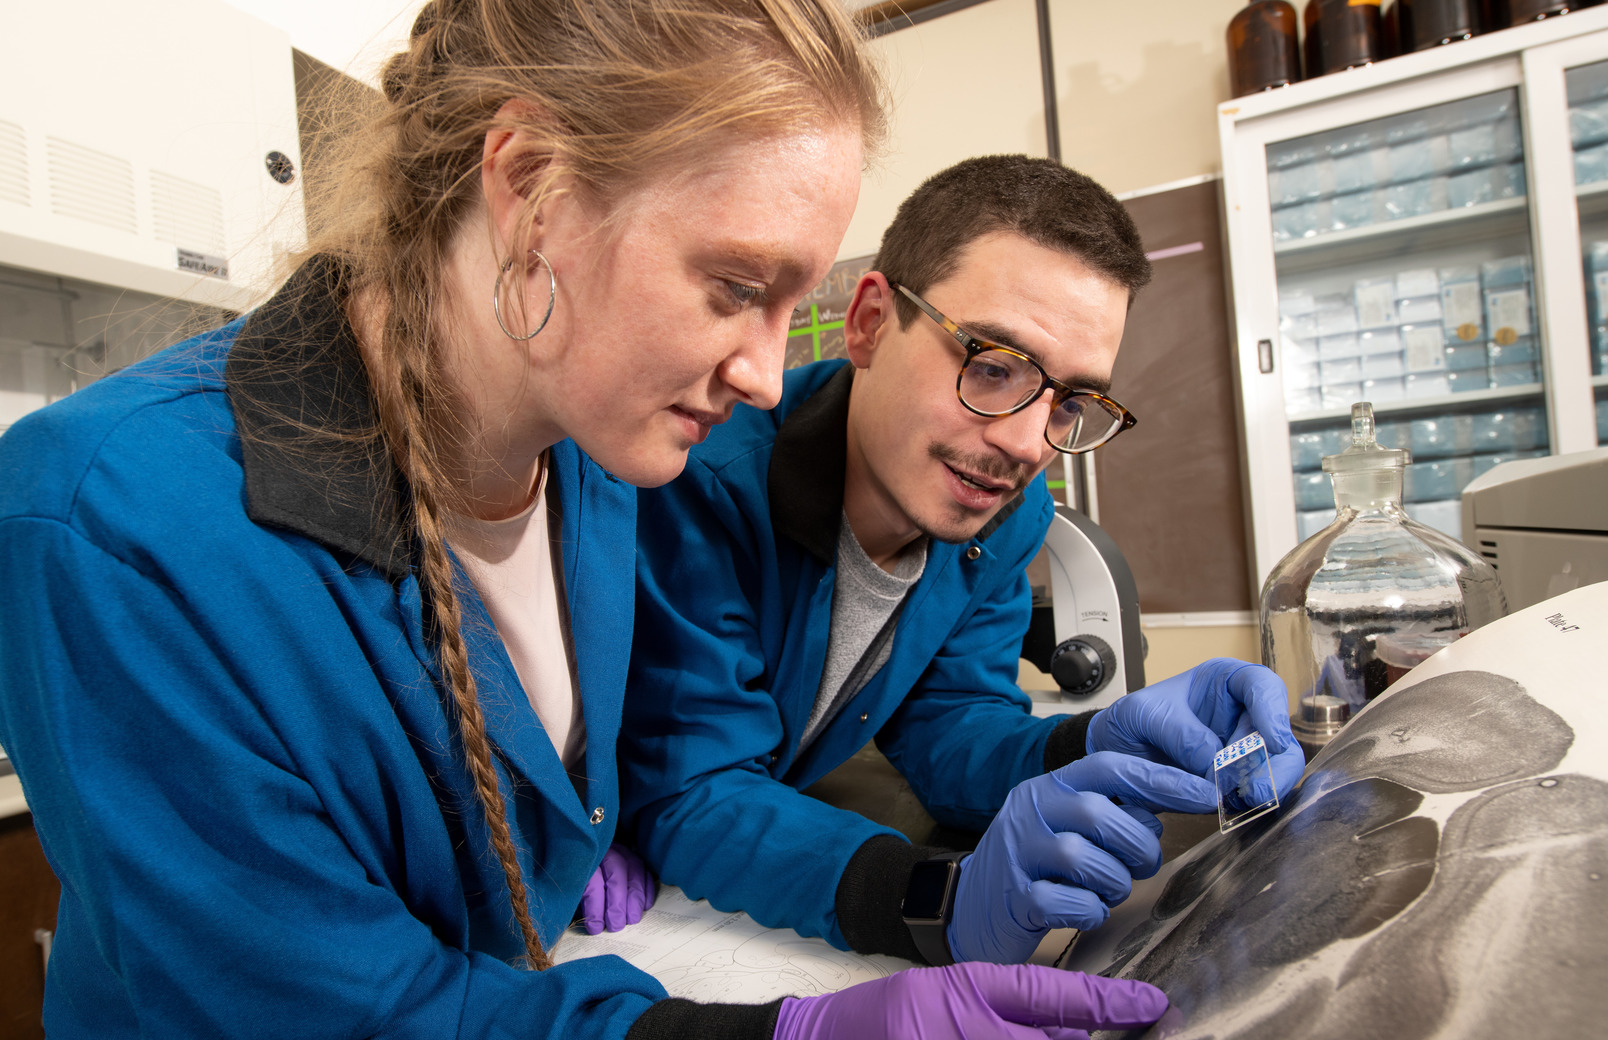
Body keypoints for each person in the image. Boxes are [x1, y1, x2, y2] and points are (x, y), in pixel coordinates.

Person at [0, 3, 1173, 1039]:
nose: (770, 375)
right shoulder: (108, 522)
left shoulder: (602, 469)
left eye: (790, 304)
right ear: (528, 184)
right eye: (733, 287)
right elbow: (341, 1003)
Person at [620, 155, 1307, 968]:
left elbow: (950, 726)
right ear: (872, 323)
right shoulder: (707, 479)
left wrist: (1092, 744)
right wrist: (928, 898)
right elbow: (695, 787)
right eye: (991, 366)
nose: (1024, 445)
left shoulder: (1009, 519)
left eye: (1071, 403)